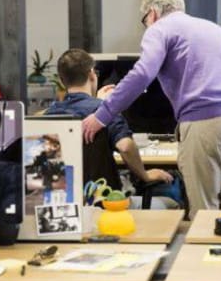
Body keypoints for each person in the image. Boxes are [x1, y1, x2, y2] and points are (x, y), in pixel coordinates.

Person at [81, 0, 221, 218]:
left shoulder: (159, 29)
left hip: (204, 118)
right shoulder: (213, 28)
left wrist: (102, 114)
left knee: (204, 211)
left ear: (152, 13)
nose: (146, 26)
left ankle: (200, 253)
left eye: (145, 20)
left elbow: (142, 74)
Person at [47, 49, 174, 193]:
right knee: (171, 199)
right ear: (91, 74)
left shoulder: (48, 115)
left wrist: (98, 103)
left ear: (62, 81)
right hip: (105, 202)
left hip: (66, 203)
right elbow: (125, 146)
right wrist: (145, 175)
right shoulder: (105, 113)